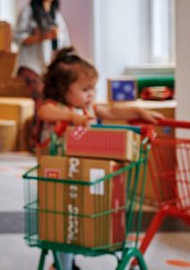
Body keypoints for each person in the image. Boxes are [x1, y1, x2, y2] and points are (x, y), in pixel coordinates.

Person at [35, 47, 161, 270]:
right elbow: (45, 112)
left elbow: (111, 112)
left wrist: (138, 111)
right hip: (60, 178)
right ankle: (62, 264)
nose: (91, 94)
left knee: (82, 220)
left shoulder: (89, 108)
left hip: (85, 176)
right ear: (63, 90)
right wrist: (71, 116)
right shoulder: (58, 108)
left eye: (93, 89)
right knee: (63, 222)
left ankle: (64, 262)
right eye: (85, 89)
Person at [14, 0, 71, 103]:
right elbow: (18, 38)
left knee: (54, 99)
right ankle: (37, 123)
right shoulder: (28, 11)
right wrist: (41, 37)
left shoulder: (57, 15)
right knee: (40, 98)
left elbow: (65, 42)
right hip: (31, 65)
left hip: (50, 66)